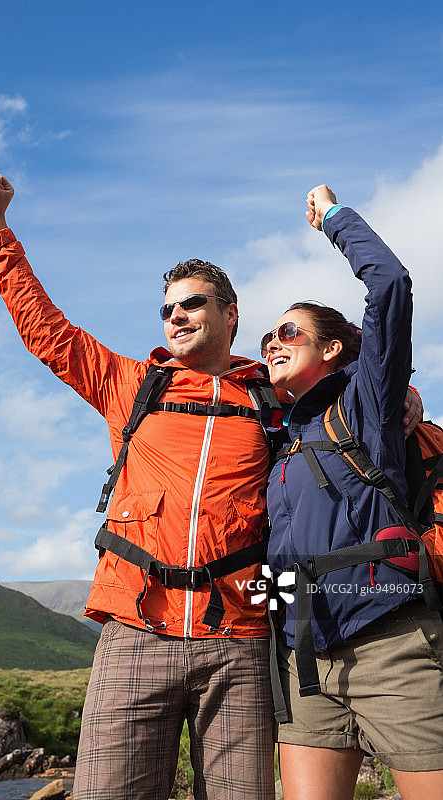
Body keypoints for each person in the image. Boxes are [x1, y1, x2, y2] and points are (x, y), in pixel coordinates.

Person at [0, 174, 421, 800]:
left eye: (191, 304)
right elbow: (45, 330)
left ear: (229, 314)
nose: (175, 316)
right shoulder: (132, 385)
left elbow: (357, 375)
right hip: (136, 629)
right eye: (166, 309)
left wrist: (407, 395)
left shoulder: (271, 398)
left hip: (239, 643)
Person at [263, 184, 443, 800]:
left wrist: (337, 219)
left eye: (287, 331)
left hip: (391, 639)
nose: (272, 344)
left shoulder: (366, 401)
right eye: (265, 340)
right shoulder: (277, 434)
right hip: (304, 655)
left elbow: (390, 285)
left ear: (332, 349)